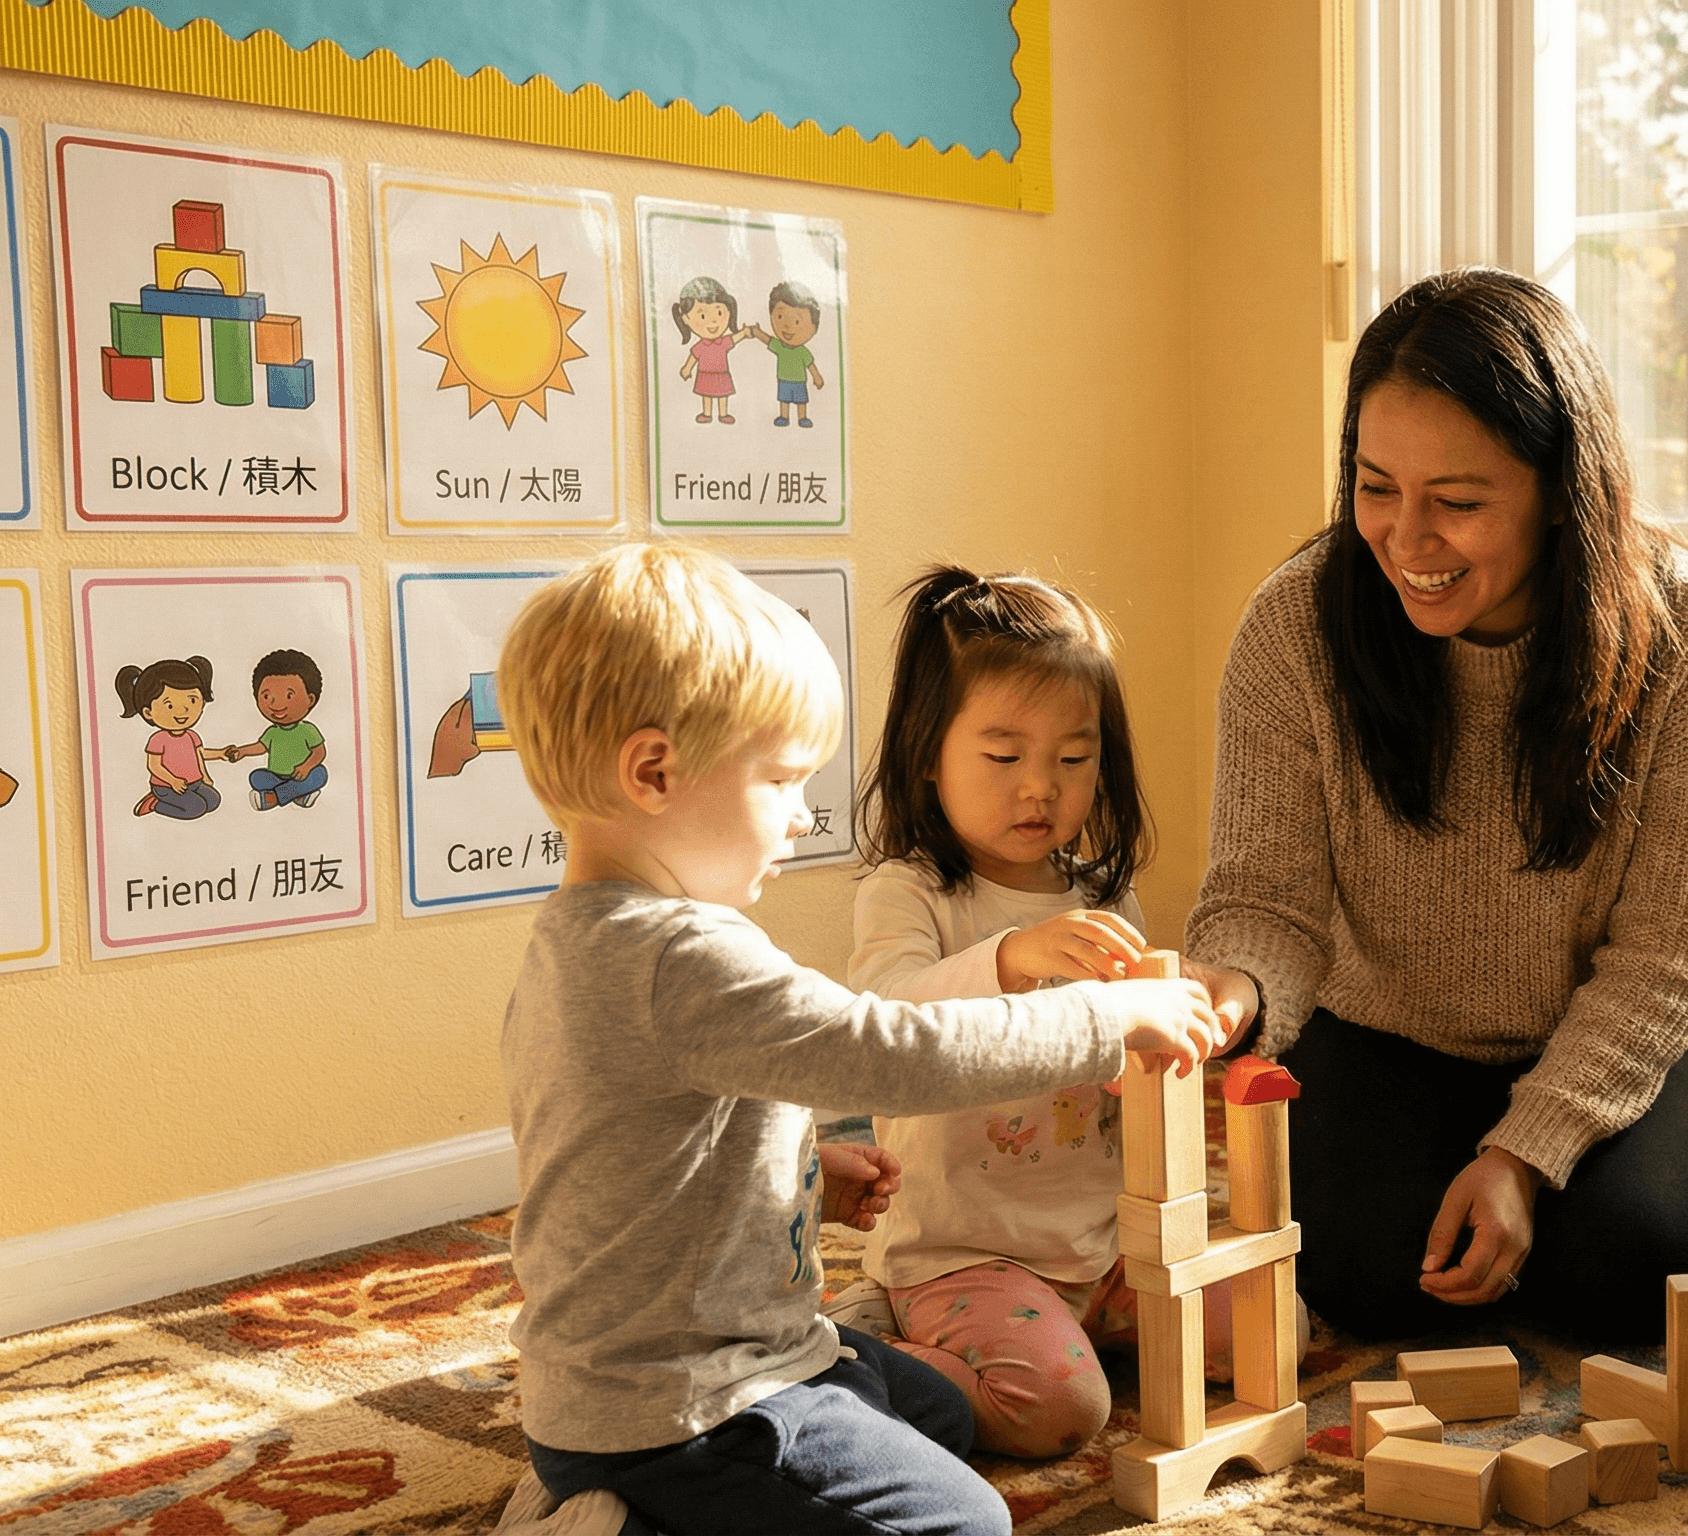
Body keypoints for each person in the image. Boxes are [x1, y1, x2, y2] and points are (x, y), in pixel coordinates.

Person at [487, 544, 1223, 1536]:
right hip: (687, 1407)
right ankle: (615, 1512)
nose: (798, 820)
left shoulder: (577, 941)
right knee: (967, 1522)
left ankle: (627, 1483)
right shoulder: (682, 957)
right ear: (654, 772)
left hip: (701, 1364)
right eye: (781, 781)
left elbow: (621, 1151)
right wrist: (1105, 1021)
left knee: (935, 1411)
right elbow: (888, 1050)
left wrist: (796, 1169)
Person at [1185, 267, 1688, 1343]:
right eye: (1373, 487)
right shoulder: (1292, 627)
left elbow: (1670, 951)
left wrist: (1521, 1154)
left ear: (1559, 486)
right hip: (1391, 1028)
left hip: (1627, 1024)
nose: (1406, 540)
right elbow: (1265, 901)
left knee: (1621, 1276)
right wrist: (1230, 995)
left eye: (1456, 503)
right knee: (1370, 1281)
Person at [824, 564, 1259, 1459]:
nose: (1040, 787)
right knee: (1060, 1410)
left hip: (1100, 1247)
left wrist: (1191, 1016)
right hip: (966, 1253)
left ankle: (1068, 1332)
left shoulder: (1103, 895)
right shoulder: (909, 895)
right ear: (926, 755)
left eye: (1073, 758)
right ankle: (866, 1346)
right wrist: (1010, 959)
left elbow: (1126, 1061)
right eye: (1003, 756)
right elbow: (885, 1025)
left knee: (1266, 1323)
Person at [116, 655, 229, 820]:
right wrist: (173, 781)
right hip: (166, 786)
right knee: (196, 809)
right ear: (148, 713)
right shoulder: (158, 740)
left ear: (202, 703)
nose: (183, 710)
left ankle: (180, 798)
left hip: (194, 783)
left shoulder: (191, 736)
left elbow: (199, 754)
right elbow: (154, 766)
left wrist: (219, 755)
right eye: (169, 705)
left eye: (192, 700)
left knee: (213, 801)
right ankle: (155, 803)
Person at [221, 648, 327, 810]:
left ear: (310, 699)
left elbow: (319, 752)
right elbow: (260, 747)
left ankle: (273, 798)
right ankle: (298, 795)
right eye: (266, 696)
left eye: (289, 696)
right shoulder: (272, 732)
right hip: (276, 777)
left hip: (302, 775)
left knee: (320, 774)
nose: (276, 705)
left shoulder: (307, 730)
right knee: (257, 777)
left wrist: (306, 766)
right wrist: (241, 751)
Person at [749, 281, 827, 428]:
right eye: (780, 317)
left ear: (814, 326)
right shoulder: (780, 346)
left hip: (799, 382)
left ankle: (802, 417)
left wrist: (816, 377)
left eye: (797, 321)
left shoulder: (803, 351)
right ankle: (784, 417)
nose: (787, 326)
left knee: (801, 400)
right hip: (784, 380)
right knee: (783, 400)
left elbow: (811, 365)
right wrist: (757, 332)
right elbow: (768, 340)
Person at [672, 277, 742, 425]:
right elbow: (693, 357)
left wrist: (745, 333)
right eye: (702, 316)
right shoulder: (701, 346)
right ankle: (707, 413)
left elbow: (735, 338)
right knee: (707, 395)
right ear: (685, 319)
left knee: (723, 395)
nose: (713, 321)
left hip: (722, 374)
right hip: (705, 374)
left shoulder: (723, 342)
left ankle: (723, 414)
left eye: (719, 313)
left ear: (729, 311)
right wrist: (686, 368)